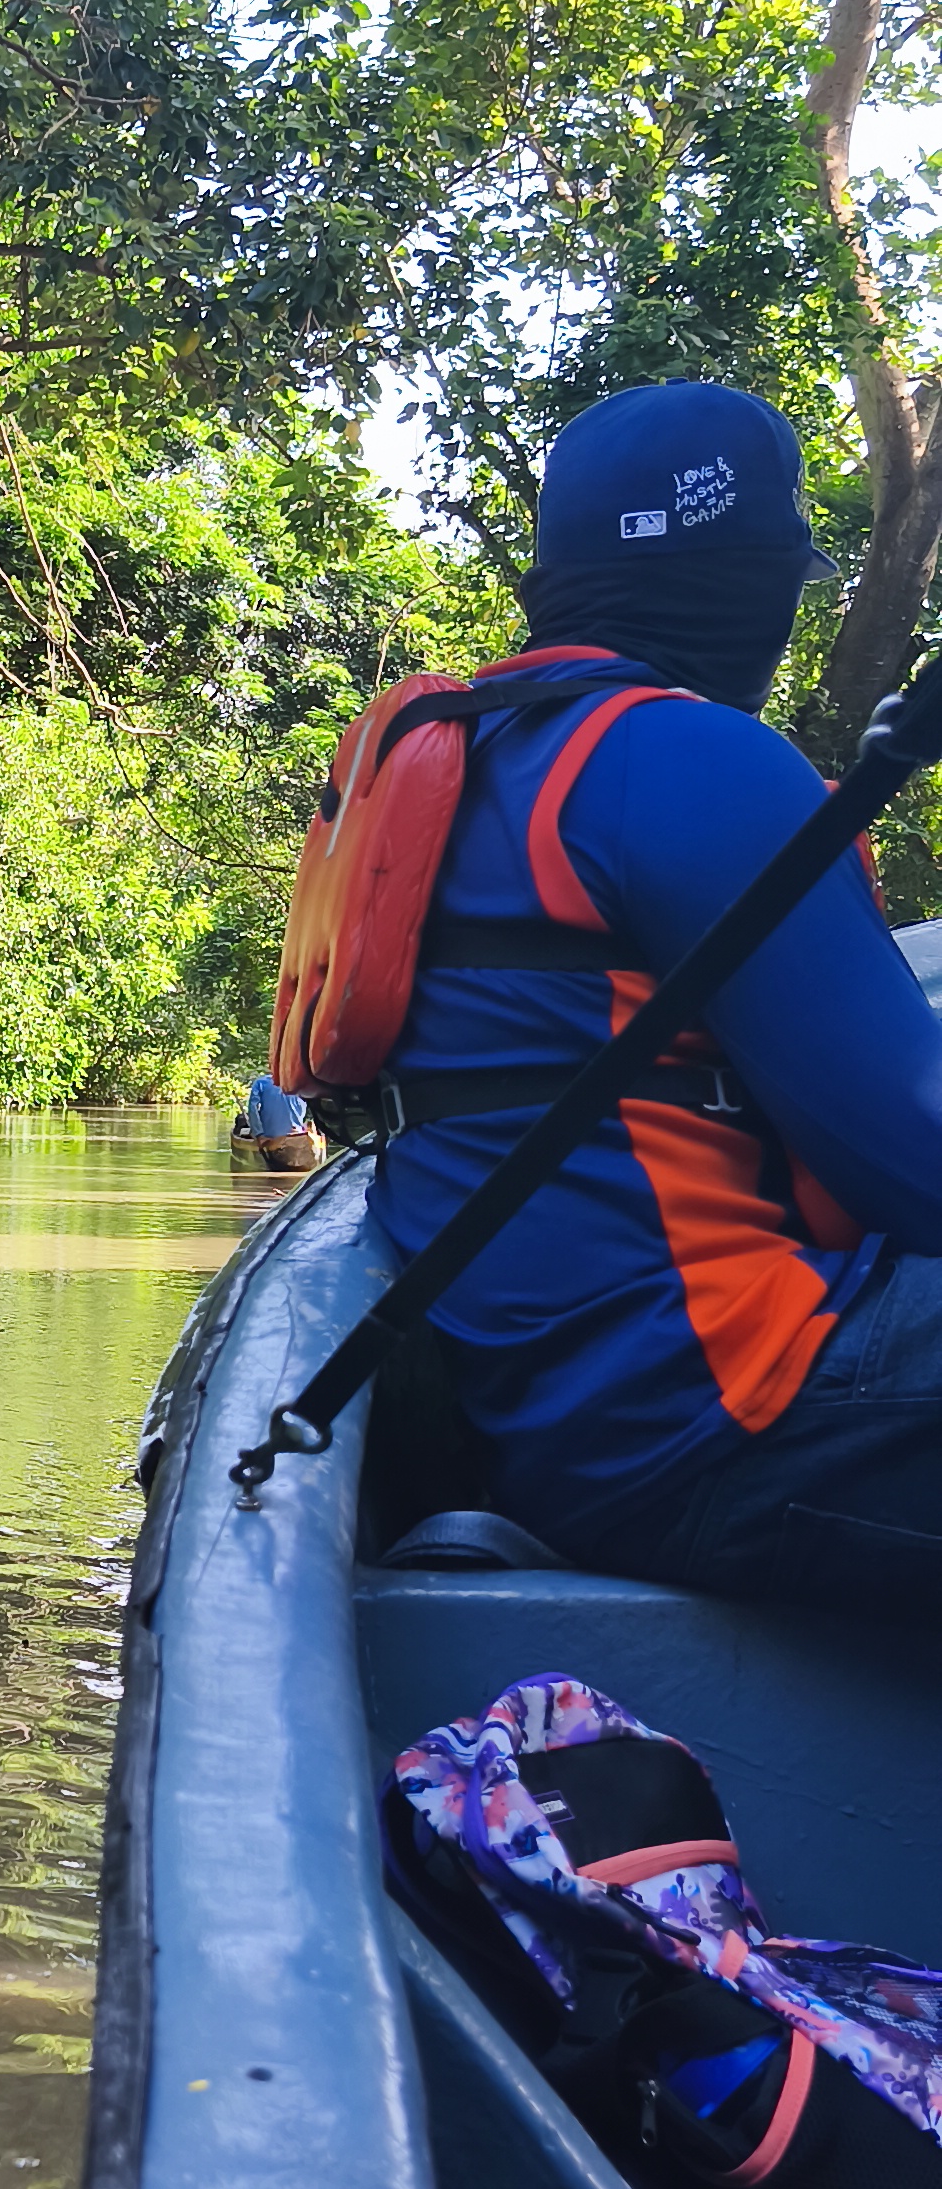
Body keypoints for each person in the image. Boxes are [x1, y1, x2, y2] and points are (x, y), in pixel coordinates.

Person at [371, 377, 942, 1613]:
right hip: (733, 1411)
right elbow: (924, 1159)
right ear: (748, 577)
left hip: (555, 1423)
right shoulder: (692, 760)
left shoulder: (485, 751)